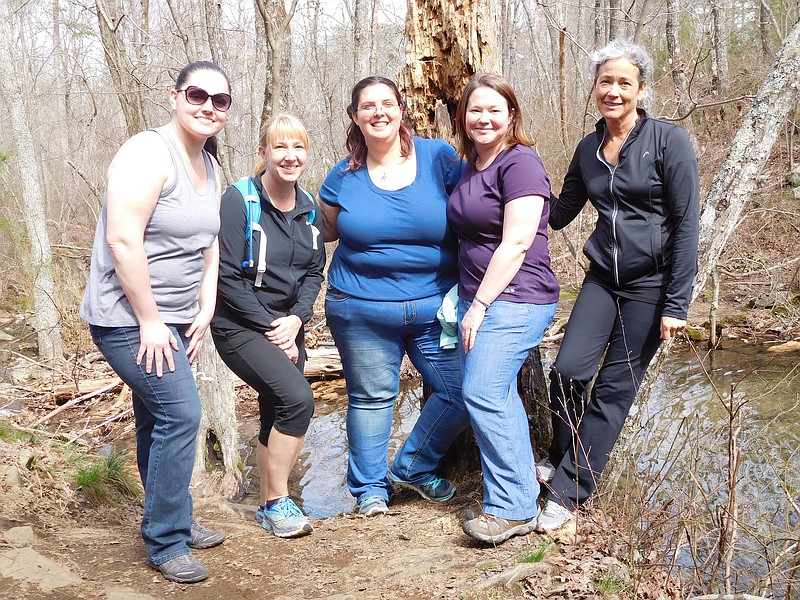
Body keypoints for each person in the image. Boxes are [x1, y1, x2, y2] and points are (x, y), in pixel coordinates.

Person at [539, 39, 700, 532]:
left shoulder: (667, 141)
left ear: (641, 89)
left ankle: (570, 490)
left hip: (651, 288)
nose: (613, 90)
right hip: (602, 280)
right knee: (566, 371)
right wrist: (509, 183)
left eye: (623, 82)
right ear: (595, 87)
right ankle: (562, 459)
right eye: (605, 81)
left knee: (613, 389)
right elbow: (560, 211)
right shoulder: (588, 148)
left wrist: (676, 302)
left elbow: (687, 222)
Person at [80, 60, 231, 583]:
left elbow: (209, 243)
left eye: (220, 100)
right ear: (174, 97)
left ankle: (175, 521)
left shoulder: (210, 167)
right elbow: (124, 240)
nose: (208, 106)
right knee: (181, 414)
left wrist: (205, 307)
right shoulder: (147, 153)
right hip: (127, 317)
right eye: (197, 95)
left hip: (177, 317)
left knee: (156, 416)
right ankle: (166, 541)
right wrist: (149, 321)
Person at [318, 76, 471, 517]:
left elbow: (476, 206)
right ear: (354, 117)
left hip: (436, 308)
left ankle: (412, 467)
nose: (379, 112)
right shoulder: (342, 176)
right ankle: (370, 490)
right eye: (368, 106)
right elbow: (322, 231)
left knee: (462, 390)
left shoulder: (438, 157)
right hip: (360, 308)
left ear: (402, 110)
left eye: (388, 103)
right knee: (371, 398)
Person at [447, 74, 559, 544]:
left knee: (484, 392)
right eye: (476, 110)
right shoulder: (471, 163)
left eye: (495, 109)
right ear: (464, 118)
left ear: (511, 115)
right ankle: (513, 492)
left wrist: (479, 306)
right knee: (494, 395)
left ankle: (513, 507)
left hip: (518, 297)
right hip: (479, 298)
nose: (484, 118)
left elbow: (515, 243)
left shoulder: (521, 163)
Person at [211, 114, 324, 538]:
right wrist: (272, 327)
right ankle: (278, 501)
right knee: (298, 400)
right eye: (280, 148)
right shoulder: (240, 200)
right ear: (264, 154)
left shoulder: (309, 207)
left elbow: (314, 272)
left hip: (288, 325)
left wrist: (296, 320)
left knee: (274, 409)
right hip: (239, 325)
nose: (289, 157)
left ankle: (266, 502)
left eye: (298, 148)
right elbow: (226, 276)